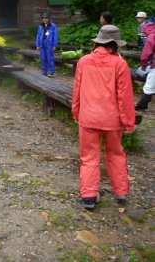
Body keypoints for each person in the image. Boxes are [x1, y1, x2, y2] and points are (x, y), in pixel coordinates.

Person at [72, 25, 135, 210]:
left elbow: (77, 91)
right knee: (116, 154)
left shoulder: (84, 61)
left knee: (89, 157)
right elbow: (125, 97)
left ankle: (89, 196)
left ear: (98, 42)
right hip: (112, 119)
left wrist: (76, 112)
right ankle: (121, 191)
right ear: (114, 44)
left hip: (88, 117)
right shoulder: (120, 64)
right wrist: (128, 123)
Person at [135, 22, 155, 111]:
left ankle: (142, 104)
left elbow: (147, 53)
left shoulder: (152, 36)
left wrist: (144, 65)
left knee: (149, 87)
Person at [36, 13, 59, 78]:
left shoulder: (53, 26)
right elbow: (38, 35)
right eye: (43, 18)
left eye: (46, 18)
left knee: (50, 58)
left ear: (49, 19)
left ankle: (51, 72)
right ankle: (44, 71)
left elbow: (55, 36)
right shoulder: (41, 26)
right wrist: (38, 44)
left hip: (50, 44)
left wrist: (55, 45)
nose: (44, 19)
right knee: (43, 58)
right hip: (42, 44)